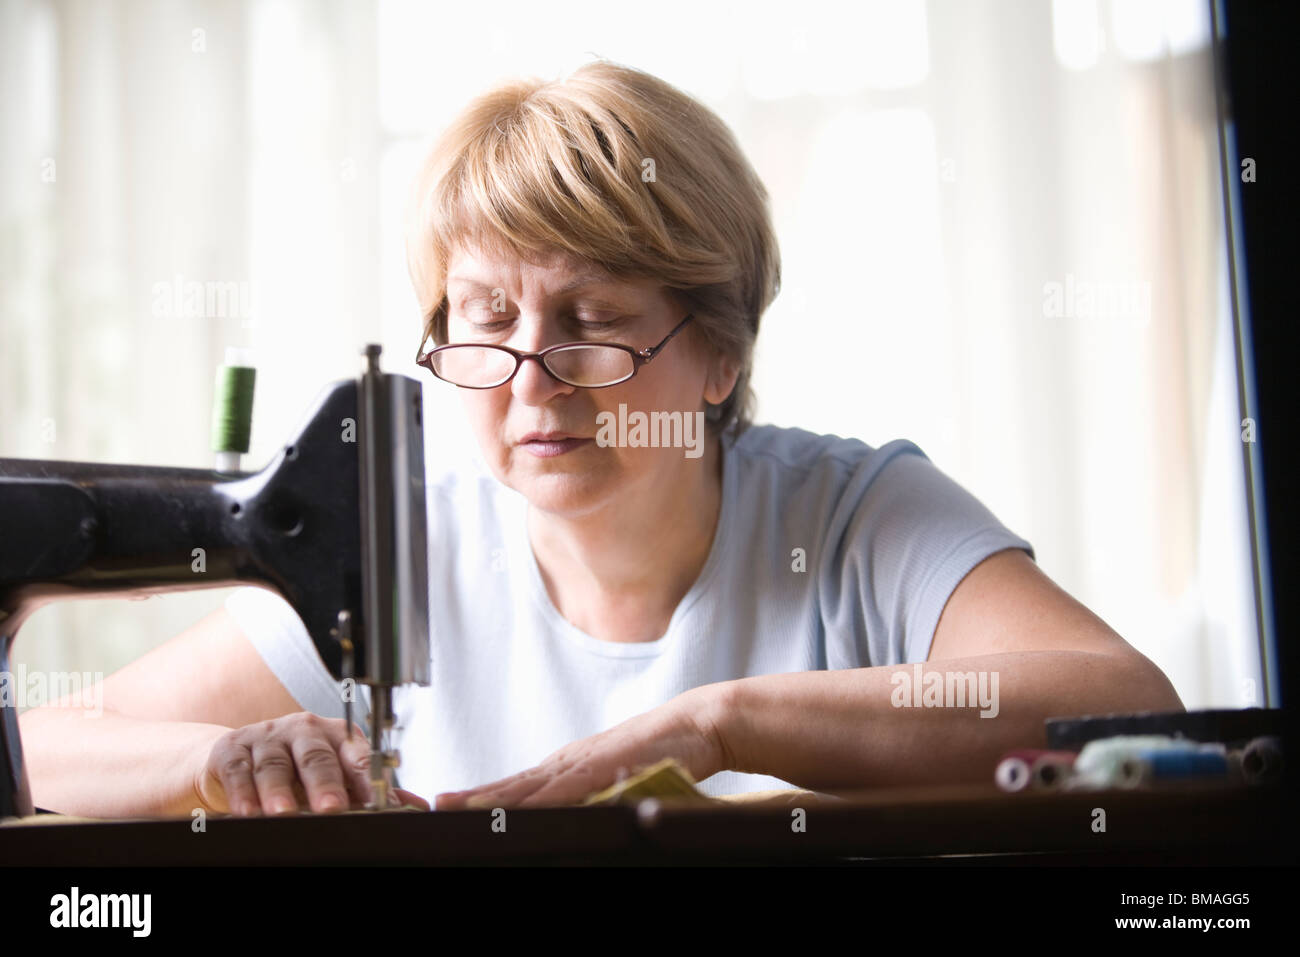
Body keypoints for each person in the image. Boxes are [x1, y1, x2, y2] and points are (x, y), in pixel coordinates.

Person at [18, 60, 1182, 819]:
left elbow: (1124, 704)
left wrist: (717, 724)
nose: (533, 377)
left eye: (594, 324)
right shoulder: (411, 546)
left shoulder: (849, 517)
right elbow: (53, 743)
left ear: (721, 356)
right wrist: (217, 763)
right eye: (484, 321)